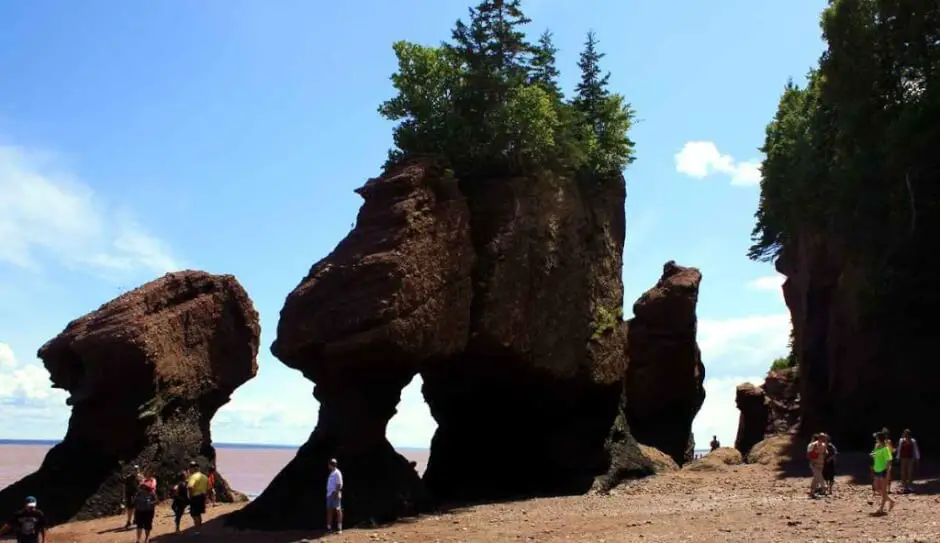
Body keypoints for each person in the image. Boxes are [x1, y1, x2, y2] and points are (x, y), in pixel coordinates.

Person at [871, 431, 895, 514]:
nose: (875, 440)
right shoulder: (877, 447)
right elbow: (875, 455)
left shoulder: (886, 449)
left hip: (883, 470)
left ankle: (881, 508)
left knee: (883, 490)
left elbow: (888, 461)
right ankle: (891, 501)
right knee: (877, 488)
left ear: (879, 439)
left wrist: (888, 472)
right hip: (877, 469)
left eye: (876, 438)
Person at [186, 461, 210, 535]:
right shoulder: (204, 476)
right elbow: (208, 488)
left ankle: (197, 531)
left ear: (192, 468)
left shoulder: (193, 477)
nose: (189, 470)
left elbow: (190, 487)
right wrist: (206, 498)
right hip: (202, 496)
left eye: (190, 468)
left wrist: (190, 497)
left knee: (194, 514)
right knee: (198, 513)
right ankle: (199, 529)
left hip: (195, 497)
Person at [896, 429, 921, 493]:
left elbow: (916, 450)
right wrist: (898, 458)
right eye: (905, 433)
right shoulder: (901, 440)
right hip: (903, 458)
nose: (906, 434)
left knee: (910, 472)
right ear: (904, 434)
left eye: (907, 433)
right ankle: (904, 486)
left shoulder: (913, 441)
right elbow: (899, 449)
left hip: (910, 459)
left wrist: (917, 458)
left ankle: (909, 485)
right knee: (903, 472)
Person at [806, 432, 827, 497]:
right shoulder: (812, 445)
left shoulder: (824, 445)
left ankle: (812, 492)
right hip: (814, 464)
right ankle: (824, 486)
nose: (824, 439)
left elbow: (825, 453)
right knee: (818, 475)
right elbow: (809, 454)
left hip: (821, 463)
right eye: (822, 437)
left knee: (816, 478)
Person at [326, 458, 344, 534]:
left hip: (334, 494)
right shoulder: (332, 473)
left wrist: (336, 493)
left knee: (338, 510)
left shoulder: (337, 473)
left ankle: (339, 528)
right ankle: (329, 528)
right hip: (329, 494)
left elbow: (339, 484)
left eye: (329, 464)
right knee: (329, 510)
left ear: (331, 465)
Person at [123, 464, 143, 529]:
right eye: (135, 470)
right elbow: (125, 487)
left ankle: (136, 520)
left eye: (137, 469)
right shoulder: (128, 478)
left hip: (137, 494)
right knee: (130, 509)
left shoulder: (140, 477)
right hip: (130, 494)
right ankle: (129, 521)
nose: (136, 471)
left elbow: (142, 485)